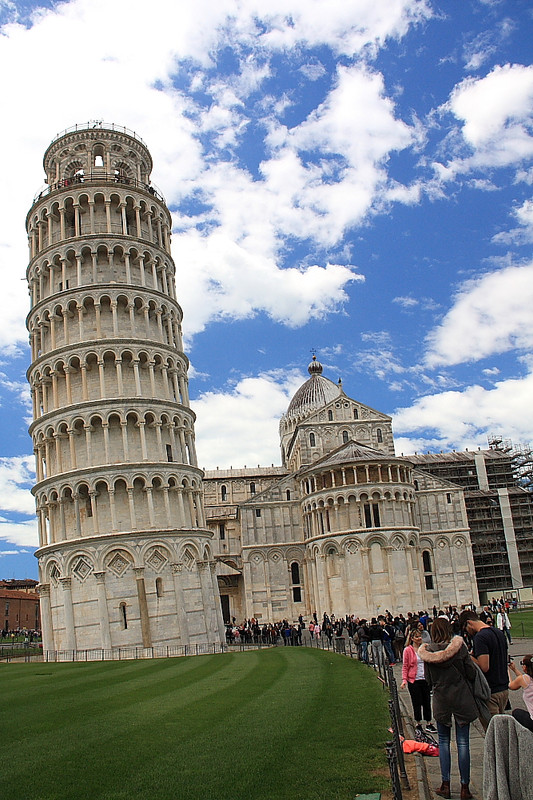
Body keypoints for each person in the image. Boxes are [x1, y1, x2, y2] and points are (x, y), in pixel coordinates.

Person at [419, 617, 478, 800]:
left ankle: (445, 784)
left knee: (443, 741)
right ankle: (464, 788)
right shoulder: (459, 648)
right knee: (463, 743)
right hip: (461, 697)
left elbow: (428, 680)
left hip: (441, 698)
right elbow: (471, 672)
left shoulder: (427, 652)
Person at [459, 609, 509, 723]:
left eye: (466, 628)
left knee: (492, 733)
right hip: (503, 687)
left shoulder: (480, 637)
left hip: (490, 690)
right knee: (502, 730)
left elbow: (484, 666)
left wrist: (467, 656)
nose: (467, 632)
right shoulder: (498, 632)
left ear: (469, 623)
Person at [400, 627, 436, 733]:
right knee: (417, 702)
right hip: (414, 680)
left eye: (420, 636)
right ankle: (418, 723)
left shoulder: (424, 649)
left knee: (427, 701)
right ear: (412, 638)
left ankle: (429, 722)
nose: (419, 638)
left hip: (425, 678)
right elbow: (405, 666)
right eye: (416, 636)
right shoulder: (408, 650)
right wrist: (404, 680)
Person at [508, 654, 533, 732]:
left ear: (525, 667)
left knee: (516, 712)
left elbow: (511, 686)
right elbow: (524, 680)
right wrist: (515, 670)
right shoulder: (524, 679)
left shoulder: (524, 679)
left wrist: (508, 671)